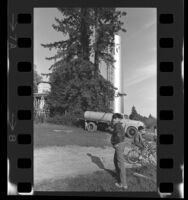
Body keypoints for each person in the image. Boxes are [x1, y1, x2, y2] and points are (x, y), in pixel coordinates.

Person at [109, 113, 128, 189]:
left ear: (119, 119)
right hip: (121, 144)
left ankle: (123, 184)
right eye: (113, 117)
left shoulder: (117, 125)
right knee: (115, 160)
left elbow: (118, 135)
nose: (113, 119)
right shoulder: (118, 125)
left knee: (120, 164)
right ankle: (118, 176)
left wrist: (116, 143)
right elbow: (117, 133)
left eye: (115, 118)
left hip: (119, 144)